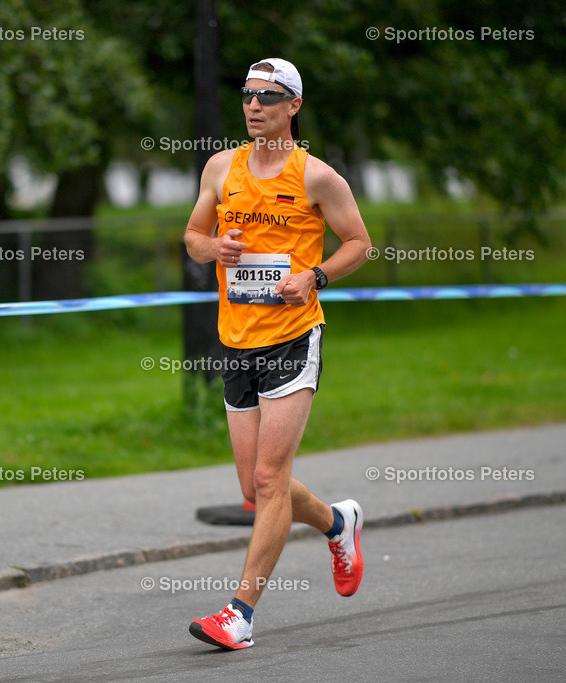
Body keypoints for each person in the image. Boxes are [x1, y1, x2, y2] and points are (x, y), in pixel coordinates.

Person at [183, 58, 373, 650]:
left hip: (293, 336)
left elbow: (361, 245)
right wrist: (214, 245)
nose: (253, 105)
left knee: (270, 477)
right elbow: (191, 238)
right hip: (237, 339)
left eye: (268, 95)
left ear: (294, 106)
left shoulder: (318, 177)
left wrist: (313, 276)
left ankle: (239, 613)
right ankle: (338, 523)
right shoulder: (222, 167)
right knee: (254, 483)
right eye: (246, 94)